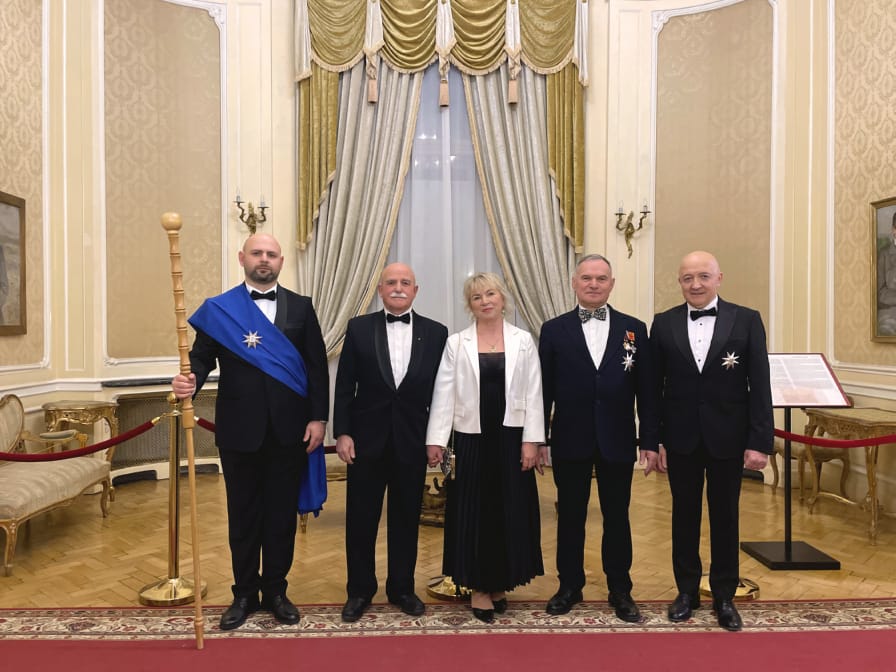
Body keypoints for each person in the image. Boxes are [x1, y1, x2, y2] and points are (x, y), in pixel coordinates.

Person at [171, 233, 329, 631]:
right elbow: (201, 359)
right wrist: (189, 380)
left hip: (290, 431)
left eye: (271, 254)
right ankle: (243, 593)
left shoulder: (301, 307)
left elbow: (316, 367)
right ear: (242, 258)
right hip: (239, 431)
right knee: (242, 516)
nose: (264, 259)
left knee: (280, 516)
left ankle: (275, 591)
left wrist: (318, 418)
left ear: (280, 262)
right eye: (257, 253)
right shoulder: (221, 310)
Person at [650, 250, 773, 632]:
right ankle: (686, 592)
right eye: (688, 278)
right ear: (679, 282)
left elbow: (760, 384)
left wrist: (760, 441)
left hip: (729, 439)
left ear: (719, 278)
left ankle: (724, 595)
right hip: (681, 439)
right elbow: (653, 389)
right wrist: (654, 440)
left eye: (703, 276)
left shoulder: (747, 320)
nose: (696, 284)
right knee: (683, 517)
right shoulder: (663, 323)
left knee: (725, 517)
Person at [538, 254, 660, 623]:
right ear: (574, 283)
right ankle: (569, 586)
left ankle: (620, 589)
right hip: (569, 438)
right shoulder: (553, 330)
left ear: (611, 284)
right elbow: (543, 391)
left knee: (617, 517)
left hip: (617, 439)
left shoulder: (634, 329)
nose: (594, 284)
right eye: (587, 278)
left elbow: (648, 391)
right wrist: (539, 439)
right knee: (570, 516)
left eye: (601, 278)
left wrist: (649, 441)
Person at [425, 272, 545, 624]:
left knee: (510, 509)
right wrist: (436, 440)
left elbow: (535, 392)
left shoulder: (523, 341)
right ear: (470, 305)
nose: (485, 301)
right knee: (474, 512)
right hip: (471, 438)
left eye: (490, 294)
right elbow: (444, 393)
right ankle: (479, 587)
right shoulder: (456, 343)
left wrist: (532, 441)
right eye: (477, 297)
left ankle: (501, 583)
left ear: (502, 298)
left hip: (512, 438)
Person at [333, 263, 448, 623]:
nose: (398, 288)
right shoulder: (358, 328)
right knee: (361, 520)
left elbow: (442, 392)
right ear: (380, 289)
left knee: (406, 519)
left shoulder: (436, 332)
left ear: (415, 290)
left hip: (412, 441)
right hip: (365, 441)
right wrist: (343, 432)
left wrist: (437, 439)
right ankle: (359, 590)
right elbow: (345, 384)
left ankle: (402, 588)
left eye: (405, 283)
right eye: (391, 282)